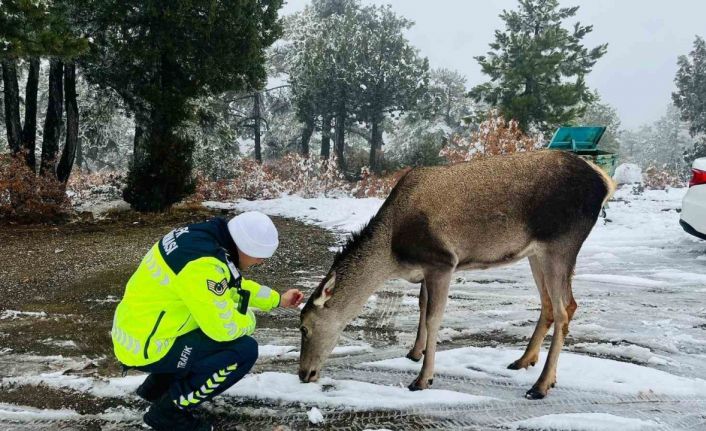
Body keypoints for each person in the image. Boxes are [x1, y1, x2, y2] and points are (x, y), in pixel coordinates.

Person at [111, 211, 304, 431]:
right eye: (260, 256)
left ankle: (157, 388)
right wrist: (249, 320)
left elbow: (232, 286)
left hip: (140, 331)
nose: (260, 262)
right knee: (242, 350)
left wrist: (277, 299)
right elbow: (224, 329)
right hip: (148, 346)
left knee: (204, 326)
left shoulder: (203, 240)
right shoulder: (203, 267)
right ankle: (168, 412)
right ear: (247, 247)